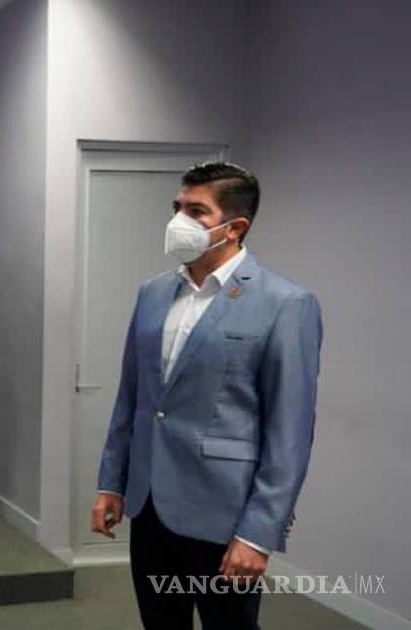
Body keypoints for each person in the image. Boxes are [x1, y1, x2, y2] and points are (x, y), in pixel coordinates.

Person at [90, 163, 322, 629]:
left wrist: (259, 534)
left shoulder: (286, 303)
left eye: (196, 211)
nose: (179, 220)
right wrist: (111, 482)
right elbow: (133, 398)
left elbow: (290, 433)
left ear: (235, 227)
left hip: (224, 512)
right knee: (160, 621)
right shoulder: (153, 293)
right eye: (177, 207)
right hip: (149, 503)